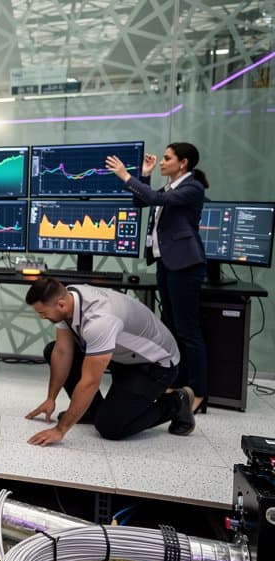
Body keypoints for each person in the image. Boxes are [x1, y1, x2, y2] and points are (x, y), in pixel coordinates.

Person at [24, 276, 200, 446]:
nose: (42, 317)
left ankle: (177, 402)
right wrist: (50, 398)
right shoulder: (69, 297)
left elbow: (90, 382)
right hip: (122, 355)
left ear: (61, 304)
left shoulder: (99, 320)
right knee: (52, 350)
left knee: (111, 428)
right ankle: (91, 411)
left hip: (154, 364)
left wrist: (60, 430)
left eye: (43, 313)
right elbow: (63, 352)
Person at [106, 142, 208, 410]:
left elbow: (157, 200)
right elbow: (140, 201)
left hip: (186, 265)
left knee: (188, 331)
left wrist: (126, 176)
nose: (162, 162)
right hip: (167, 264)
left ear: (183, 162)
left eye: (166, 158)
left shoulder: (192, 188)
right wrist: (145, 174)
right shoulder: (170, 186)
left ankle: (198, 391)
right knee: (171, 327)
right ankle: (176, 383)